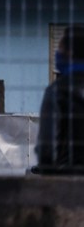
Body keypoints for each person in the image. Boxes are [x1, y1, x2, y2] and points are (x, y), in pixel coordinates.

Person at [34, 25, 84, 174]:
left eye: (60, 48)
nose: (58, 53)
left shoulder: (57, 92)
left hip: (68, 183)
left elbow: (47, 149)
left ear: (70, 52)